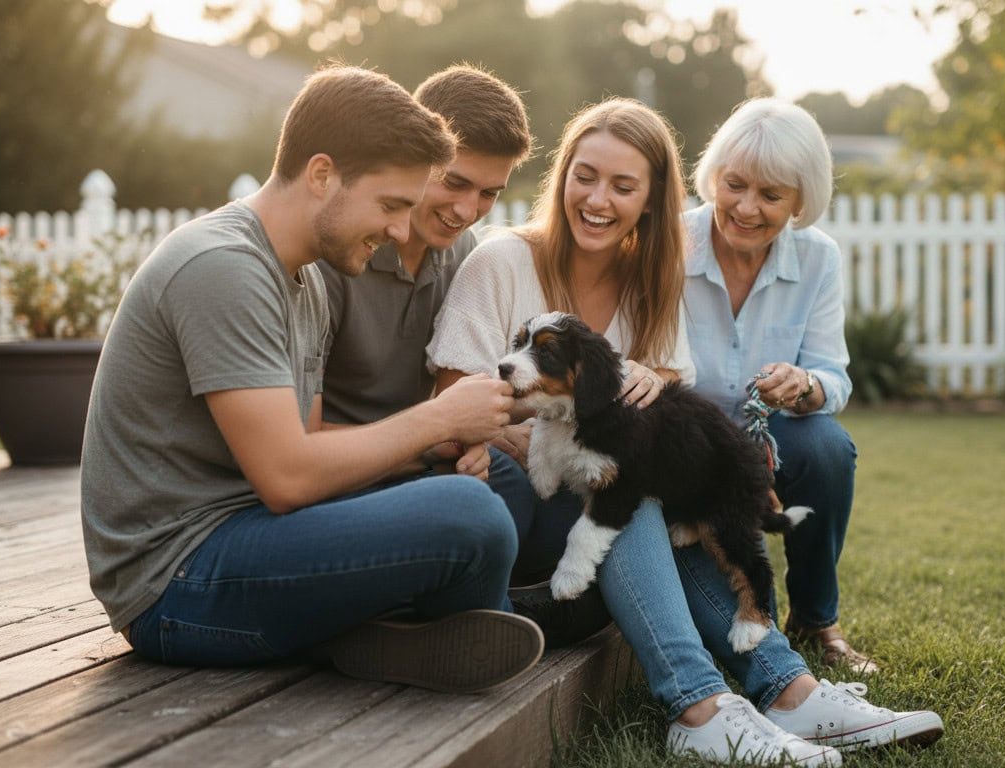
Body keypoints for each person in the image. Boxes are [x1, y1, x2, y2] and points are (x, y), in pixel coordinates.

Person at [428, 98, 942, 764]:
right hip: (521, 509)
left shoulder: (648, 279)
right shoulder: (503, 260)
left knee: (641, 484)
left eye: (623, 185)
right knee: (625, 484)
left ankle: (791, 691)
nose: (598, 199)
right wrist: (572, 442)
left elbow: (668, 385)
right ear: (562, 176)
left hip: (598, 514)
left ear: (651, 201)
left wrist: (649, 385)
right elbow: (453, 406)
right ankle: (699, 705)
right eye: (585, 176)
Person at [79, 65, 544, 695]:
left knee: (487, 484)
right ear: (322, 175)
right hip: (177, 579)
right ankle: (485, 619)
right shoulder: (224, 267)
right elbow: (288, 479)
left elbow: (310, 436)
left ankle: (384, 633)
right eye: (390, 206)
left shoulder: (305, 275)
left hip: (253, 531)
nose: (400, 231)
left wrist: (435, 445)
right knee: (469, 514)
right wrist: (436, 418)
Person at [313, 64, 608, 646]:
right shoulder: (338, 257)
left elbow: (462, 395)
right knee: (495, 486)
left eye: (489, 193)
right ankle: (469, 619)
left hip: (422, 461)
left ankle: (479, 607)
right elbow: (301, 444)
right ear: (416, 154)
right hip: (344, 476)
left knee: (536, 484)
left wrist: (481, 435)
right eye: (454, 182)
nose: (468, 209)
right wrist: (440, 439)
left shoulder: (461, 253)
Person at [684, 98, 874, 673]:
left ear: (799, 201)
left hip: (771, 440)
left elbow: (832, 377)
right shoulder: (671, 243)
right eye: (735, 185)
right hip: (686, 447)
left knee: (826, 446)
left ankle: (816, 619)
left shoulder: (818, 258)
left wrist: (802, 384)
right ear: (714, 176)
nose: (746, 208)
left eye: (770, 195)